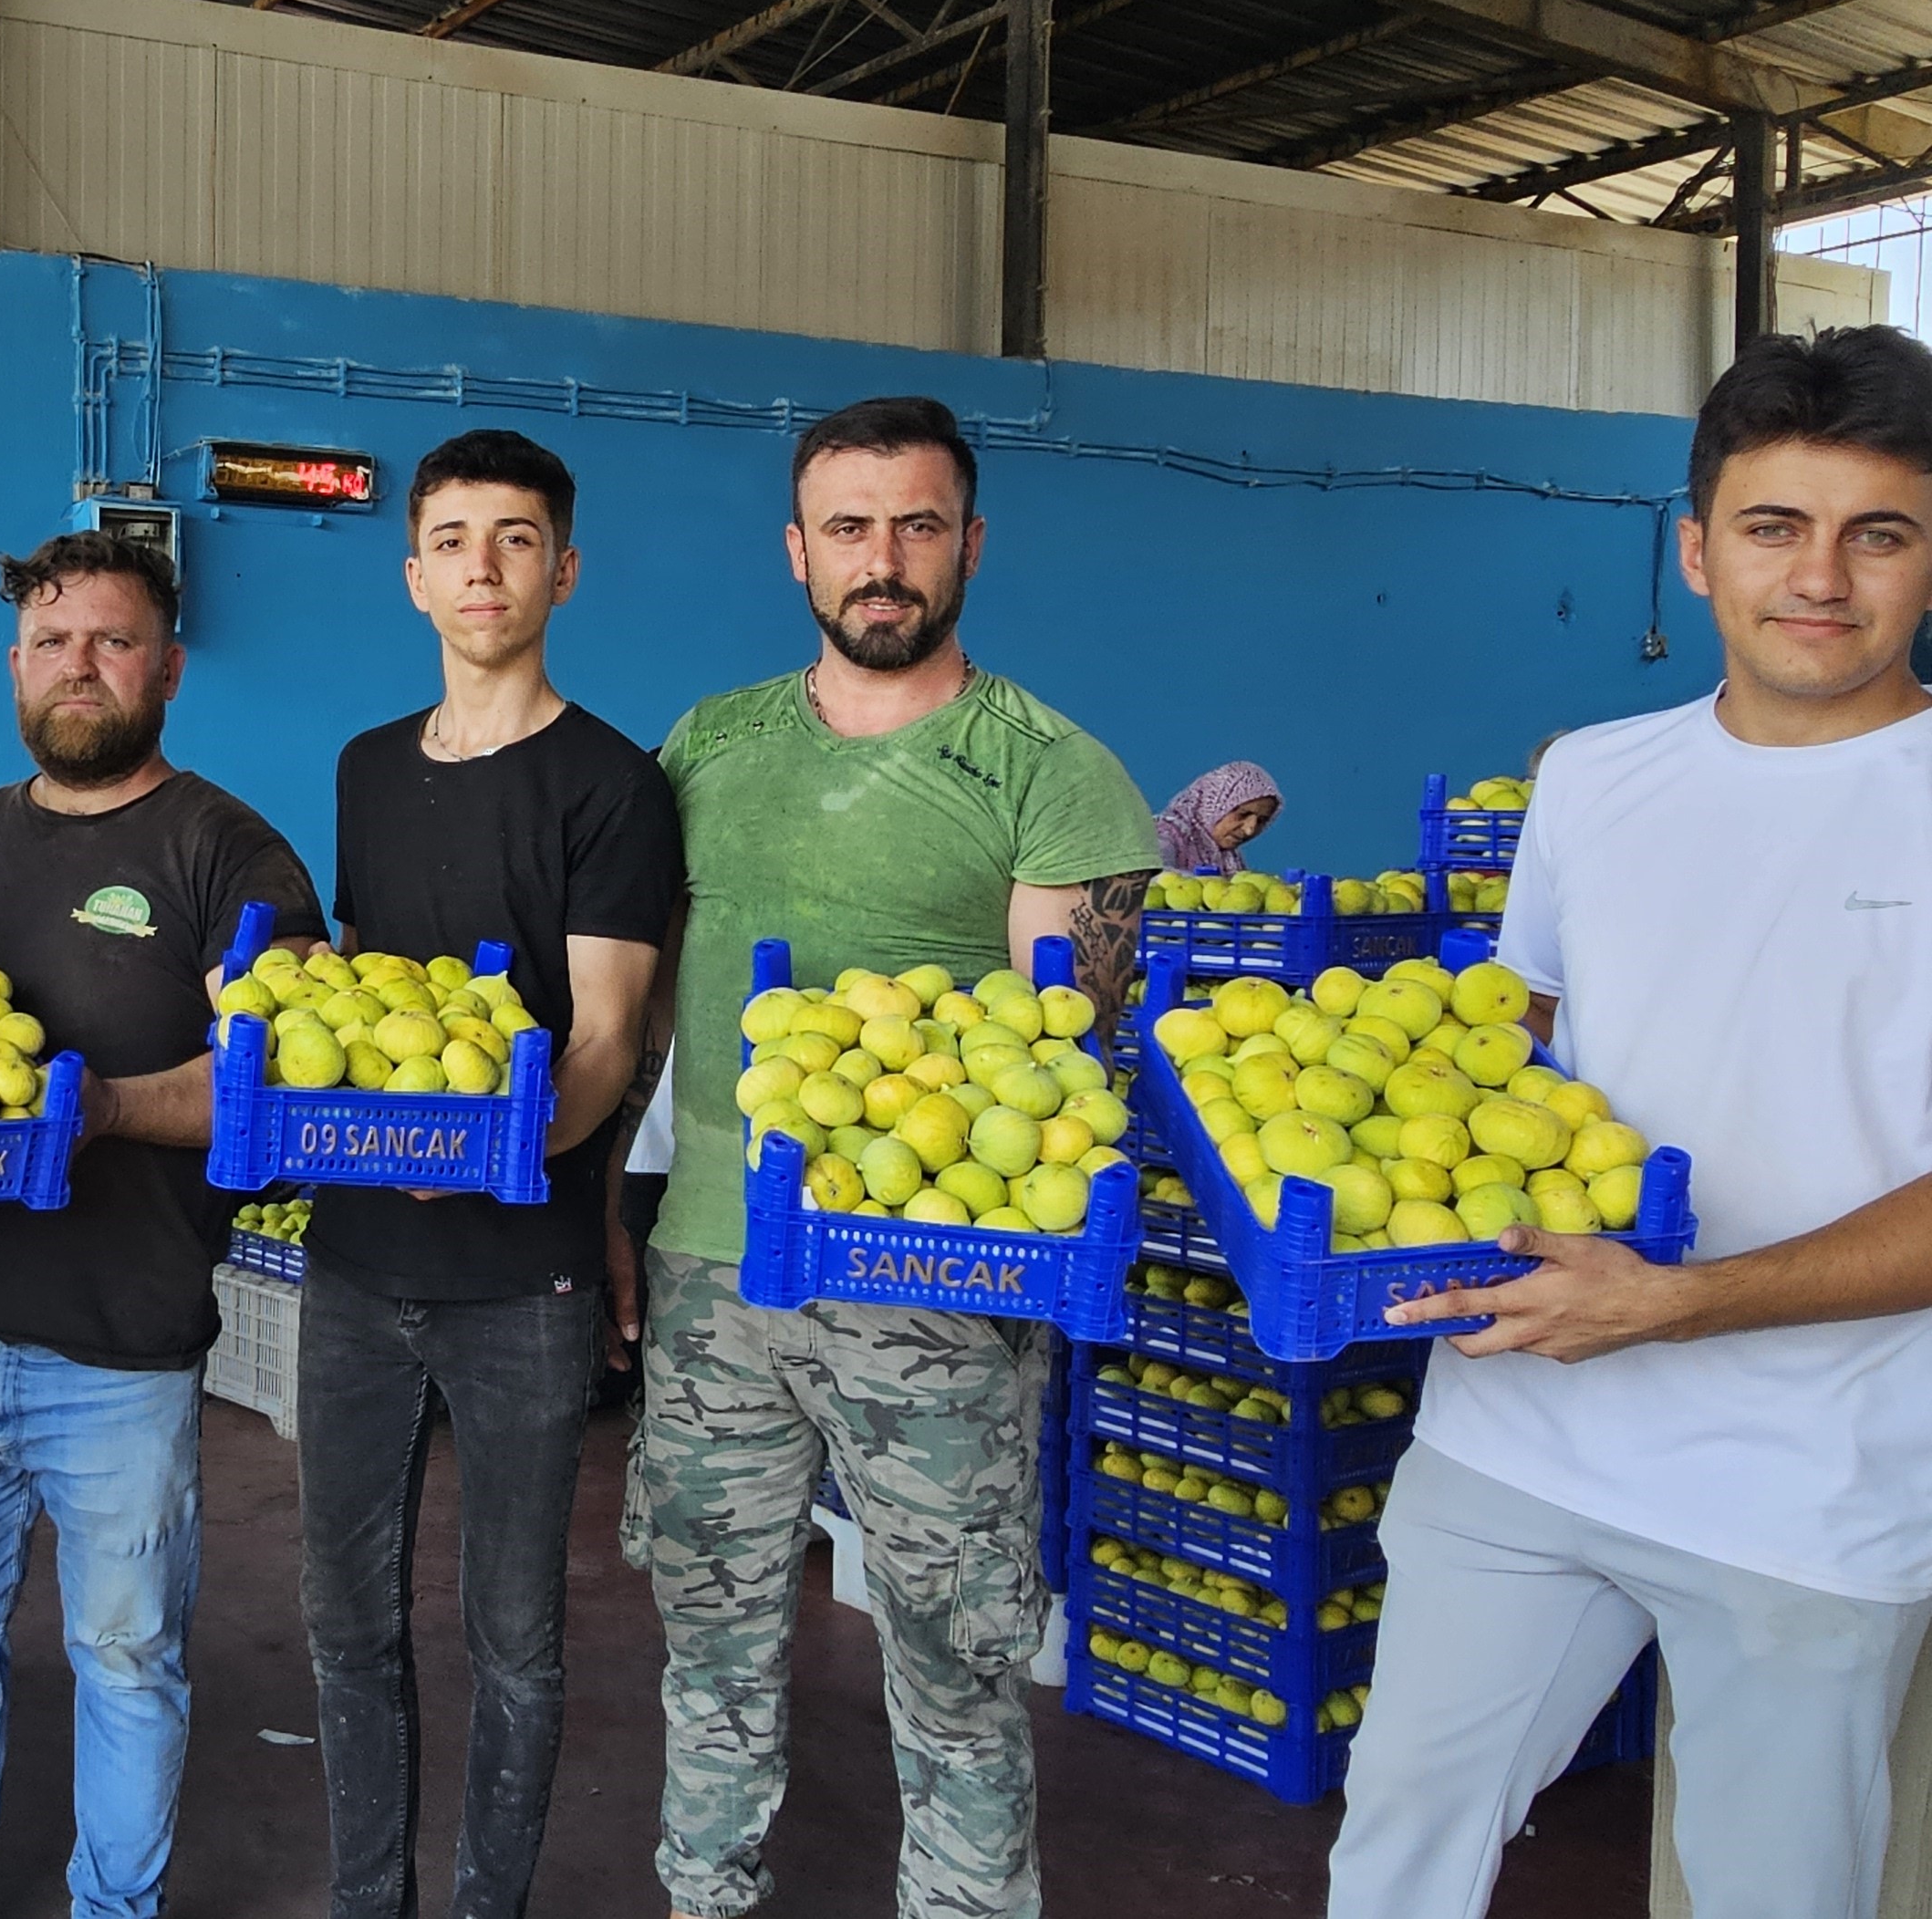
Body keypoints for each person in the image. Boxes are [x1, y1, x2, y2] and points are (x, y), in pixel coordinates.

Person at [1327, 327, 1932, 1919]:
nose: (1820, 577)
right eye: (1772, 527)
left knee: (1773, 1893)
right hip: (1519, 1427)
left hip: (1812, 1481)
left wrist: (1685, 1300)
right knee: (1398, 1843)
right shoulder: (1592, 781)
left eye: (1877, 532)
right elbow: (1512, 1053)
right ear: (1694, 550)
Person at [615, 395, 1158, 1919]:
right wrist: (617, 1215)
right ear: (798, 552)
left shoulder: (1051, 766)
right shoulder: (707, 745)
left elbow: (1053, 1065)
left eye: (918, 524)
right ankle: (704, 1897)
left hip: (937, 1283)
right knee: (711, 1641)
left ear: (970, 544)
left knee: (956, 1658)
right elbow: (655, 1008)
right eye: (850, 526)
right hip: (716, 1266)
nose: (885, 558)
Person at [0, 529, 322, 1919]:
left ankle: (114, 1909)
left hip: (121, 1350)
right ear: (16, 666)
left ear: (169, 667)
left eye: (114, 641)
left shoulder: (226, 847)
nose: (82, 667)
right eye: (56, 642)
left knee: (127, 1662)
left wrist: (109, 1110)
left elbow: (280, 1069)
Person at [302, 429, 680, 1919]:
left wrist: (470, 1155)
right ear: (412, 576)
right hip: (350, 1264)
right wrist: (363, 1138)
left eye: (516, 538)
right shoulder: (364, 769)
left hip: (521, 1269)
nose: (483, 566)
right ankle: (365, 1898)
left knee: (514, 1633)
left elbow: (597, 1040)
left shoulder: (616, 785)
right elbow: (361, 1010)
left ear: (564, 569)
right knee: (347, 1623)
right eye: (453, 539)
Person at [1154, 760, 1281, 873]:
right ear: (1213, 805)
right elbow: (1150, 876)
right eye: (1243, 814)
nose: (1249, 830)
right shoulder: (1165, 835)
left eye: (1261, 821)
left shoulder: (1230, 859)